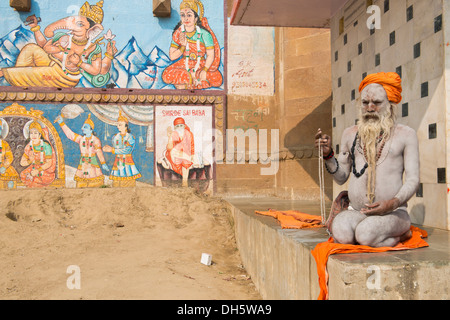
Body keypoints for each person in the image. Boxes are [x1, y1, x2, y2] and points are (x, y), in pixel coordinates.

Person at [315, 72, 420, 248]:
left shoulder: (406, 134)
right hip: (358, 212)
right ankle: (385, 237)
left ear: (390, 105)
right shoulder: (350, 134)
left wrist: (392, 203)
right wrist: (328, 155)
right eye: (365, 103)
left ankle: (400, 233)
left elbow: (413, 180)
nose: (370, 108)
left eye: (377, 103)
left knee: (365, 234)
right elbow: (341, 177)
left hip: (393, 213)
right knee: (340, 231)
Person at [162, 0, 223, 90]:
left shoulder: (204, 34)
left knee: (217, 78)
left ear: (195, 18)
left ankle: (186, 83)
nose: (186, 18)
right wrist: (182, 46)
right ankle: (193, 81)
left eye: (189, 15)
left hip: (201, 65)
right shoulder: (178, 33)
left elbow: (210, 55)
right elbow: (172, 56)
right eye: (183, 15)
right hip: (183, 64)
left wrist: (205, 70)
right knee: (166, 75)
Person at [56, 113, 109, 188]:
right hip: (83, 164)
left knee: (94, 183)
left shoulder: (95, 140)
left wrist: (103, 163)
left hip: (92, 163)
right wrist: (61, 123)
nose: (82, 128)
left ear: (91, 129)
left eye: (85, 127)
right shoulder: (81, 139)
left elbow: (99, 152)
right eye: (83, 126)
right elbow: (70, 134)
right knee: (81, 184)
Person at [102, 112, 141, 187]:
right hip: (118, 162)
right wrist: (108, 148)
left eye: (120, 125)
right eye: (117, 124)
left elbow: (127, 150)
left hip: (128, 162)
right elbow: (116, 148)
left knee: (129, 183)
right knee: (116, 184)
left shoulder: (130, 137)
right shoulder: (115, 137)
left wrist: (112, 150)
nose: (118, 126)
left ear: (126, 126)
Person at [20, 121, 56, 188]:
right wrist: (30, 160)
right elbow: (22, 163)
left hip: (45, 170)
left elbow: (49, 163)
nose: (33, 135)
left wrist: (38, 170)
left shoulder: (46, 146)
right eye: (31, 133)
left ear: (39, 135)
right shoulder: (29, 146)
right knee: (23, 175)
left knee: (37, 179)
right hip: (33, 168)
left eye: (35, 133)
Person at [163, 117, 195, 187]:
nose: (179, 127)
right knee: (183, 159)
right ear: (175, 127)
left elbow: (192, 145)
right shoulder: (173, 134)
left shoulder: (189, 134)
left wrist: (192, 154)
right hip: (173, 152)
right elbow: (169, 148)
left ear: (184, 125)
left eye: (181, 125)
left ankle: (184, 182)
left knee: (186, 162)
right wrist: (169, 137)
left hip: (185, 153)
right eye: (177, 126)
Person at [0, 118, 20, 189]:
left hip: (3, 165)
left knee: (11, 177)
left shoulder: (4, 144)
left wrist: (4, 166)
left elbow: (9, 156)